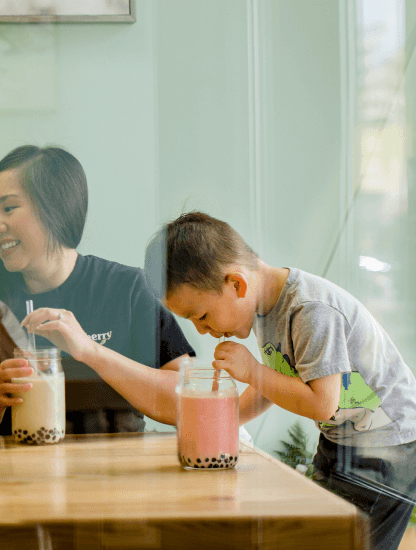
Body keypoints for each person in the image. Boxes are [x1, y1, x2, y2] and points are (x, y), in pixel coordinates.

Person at [158, 211, 416, 550]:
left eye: (201, 315)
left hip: (388, 448)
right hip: (342, 442)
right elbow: (276, 384)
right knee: (315, 536)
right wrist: (220, 422)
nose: (201, 329)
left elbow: (323, 403)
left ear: (236, 283)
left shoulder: (309, 309)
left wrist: (252, 371)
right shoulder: (267, 307)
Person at [0, 145, 195, 437]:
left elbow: (192, 401)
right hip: (17, 479)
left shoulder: (128, 289)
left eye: (9, 208)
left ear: (55, 208)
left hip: (117, 478)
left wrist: (91, 352)